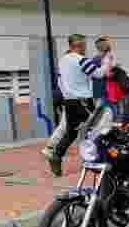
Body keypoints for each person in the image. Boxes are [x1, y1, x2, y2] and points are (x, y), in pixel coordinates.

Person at [42, 34, 113, 176]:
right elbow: (98, 74)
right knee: (101, 126)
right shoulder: (81, 60)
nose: (85, 48)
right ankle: (100, 159)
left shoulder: (63, 60)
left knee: (71, 132)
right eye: (84, 45)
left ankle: (56, 155)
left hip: (69, 101)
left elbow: (62, 81)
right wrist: (107, 61)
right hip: (83, 101)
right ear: (79, 45)